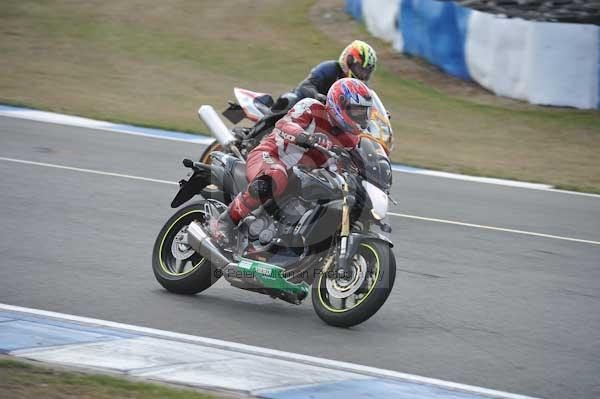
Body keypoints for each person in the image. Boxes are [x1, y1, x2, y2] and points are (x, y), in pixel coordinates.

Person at [211, 78, 374, 244]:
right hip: (271, 156)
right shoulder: (312, 107)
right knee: (275, 176)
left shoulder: (351, 139)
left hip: (303, 175)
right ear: (339, 103)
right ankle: (226, 221)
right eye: (356, 110)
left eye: (363, 112)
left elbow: (351, 163)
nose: (360, 116)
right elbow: (285, 125)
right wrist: (305, 137)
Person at [270, 40, 377, 112]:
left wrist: (378, 113)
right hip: (305, 108)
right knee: (289, 99)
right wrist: (317, 97)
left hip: (329, 118)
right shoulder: (330, 68)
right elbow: (306, 86)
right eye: (361, 69)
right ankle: (259, 131)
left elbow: (366, 103)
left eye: (367, 72)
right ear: (349, 60)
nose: (363, 74)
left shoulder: (359, 87)